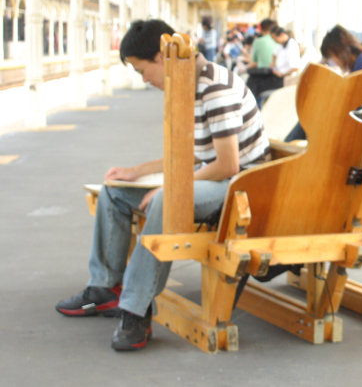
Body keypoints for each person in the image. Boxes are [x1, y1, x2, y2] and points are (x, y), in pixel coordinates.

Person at [55, 19, 270, 352]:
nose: (144, 79)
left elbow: (229, 166)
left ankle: (136, 309)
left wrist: (173, 186)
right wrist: (135, 172)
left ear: (160, 57)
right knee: (114, 192)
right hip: (211, 177)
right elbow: (185, 155)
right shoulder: (186, 84)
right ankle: (104, 288)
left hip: (240, 186)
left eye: (142, 70)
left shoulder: (215, 87)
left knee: (166, 201)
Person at [284, 25, 362, 142]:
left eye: (330, 56)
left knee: (315, 112)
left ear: (337, 51)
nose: (332, 61)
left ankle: (288, 145)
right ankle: (290, 144)